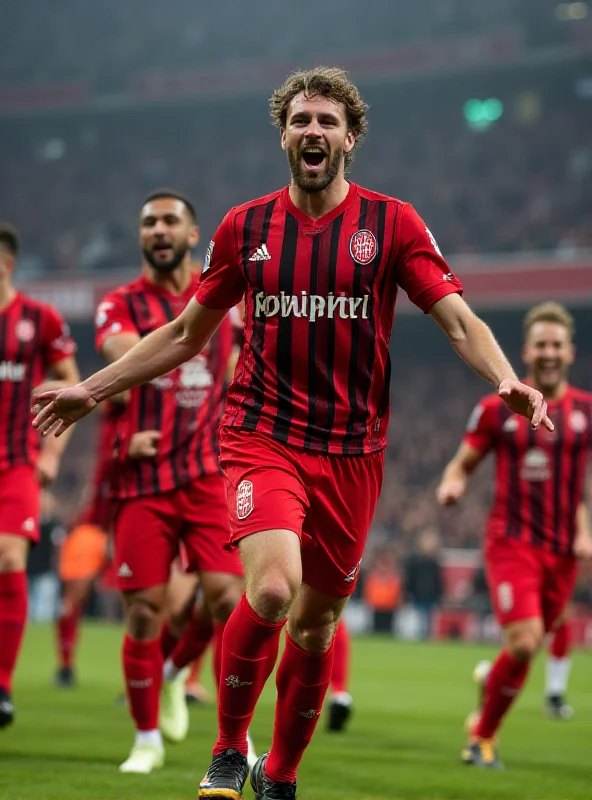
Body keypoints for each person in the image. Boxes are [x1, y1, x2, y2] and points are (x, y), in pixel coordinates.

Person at [32, 67, 551, 799]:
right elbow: (184, 334)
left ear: (351, 137)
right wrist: (91, 387)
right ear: (283, 133)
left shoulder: (393, 223)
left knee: (315, 628)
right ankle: (225, 750)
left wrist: (505, 377)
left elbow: (458, 318)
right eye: (301, 120)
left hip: (353, 453)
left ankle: (280, 775)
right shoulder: (246, 228)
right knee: (273, 590)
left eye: (327, 122)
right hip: (261, 433)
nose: (314, 132)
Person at [68, 190, 245, 774]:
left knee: (231, 599)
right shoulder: (119, 304)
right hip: (142, 481)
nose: (160, 230)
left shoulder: (226, 298)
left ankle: (224, 733)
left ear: (194, 236)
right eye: (149, 223)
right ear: (141, 237)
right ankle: (145, 738)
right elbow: (127, 354)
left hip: (206, 475)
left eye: (172, 221)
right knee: (145, 612)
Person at [436, 301, 592, 768]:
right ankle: (481, 737)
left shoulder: (585, 411)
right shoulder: (496, 409)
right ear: (525, 351)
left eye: (556, 345)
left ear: (570, 352)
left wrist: (585, 531)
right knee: (525, 642)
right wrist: (453, 484)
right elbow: (462, 464)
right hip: (511, 542)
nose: (548, 353)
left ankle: (491, 687)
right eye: (540, 344)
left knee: (524, 649)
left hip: (562, 550)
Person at [0, 223, 79, 728]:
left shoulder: (39, 319)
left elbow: (71, 384)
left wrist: (51, 454)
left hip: (16, 462)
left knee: (9, 557)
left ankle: (2, 684)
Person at [54, 400, 125, 687]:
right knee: (73, 599)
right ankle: (66, 665)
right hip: (93, 528)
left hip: (130, 523)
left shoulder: (156, 406)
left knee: (145, 606)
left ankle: (143, 680)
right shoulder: (111, 417)